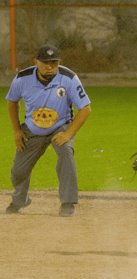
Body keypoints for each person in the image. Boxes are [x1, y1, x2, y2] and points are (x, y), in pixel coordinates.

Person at [5, 44, 91, 217]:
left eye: (54, 62)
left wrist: (68, 134)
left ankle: (68, 202)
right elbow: (12, 102)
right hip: (32, 129)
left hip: (60, 127)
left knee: (66, 152)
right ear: (35, 62)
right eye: (45, 63)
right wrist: (16, 131)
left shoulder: (69, 78)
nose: (50, 66)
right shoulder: (22, 78)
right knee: (18, 172)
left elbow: (86, 108)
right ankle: (20, 200)